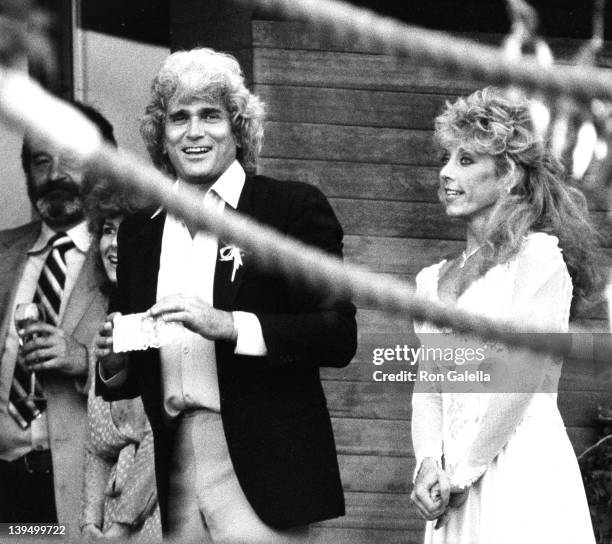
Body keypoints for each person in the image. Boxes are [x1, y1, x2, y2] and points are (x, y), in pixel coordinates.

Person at [95, 47, 357, 543]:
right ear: (161, 135)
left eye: (210, 116)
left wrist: (231, 324)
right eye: (179, 118)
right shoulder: (138, 232)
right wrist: (112, 359)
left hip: (263, 464)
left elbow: (339, 334)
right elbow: (120, 377)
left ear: (238, 128)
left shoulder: (288, 209)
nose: (194, 132)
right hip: (171, 458)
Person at [410, 87, 598, 543]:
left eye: (466, 160)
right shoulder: (431, 281)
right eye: (446, 158)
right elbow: (429, 390)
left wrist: (463, 474)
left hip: (520, 474)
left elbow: (520, 380)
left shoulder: (539, 260)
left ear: (508, 174)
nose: (446, 173)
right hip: (453, 486)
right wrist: (428, 464)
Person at [0, 102, 116, 530]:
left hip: (82, 486)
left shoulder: (130, 258)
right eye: (41, 162)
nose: (54, 176)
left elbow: (156, 372)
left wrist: (84, 360)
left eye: (71, 159)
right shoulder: (3, 254)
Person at [80, 181, 161, 541]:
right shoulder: (111, 320)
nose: (115, 244)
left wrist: (119, 528)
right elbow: (96, 446)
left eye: (129, 230)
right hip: (113, 520)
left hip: (158, 516)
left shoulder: (165, 316)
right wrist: (89, 525)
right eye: (108, 230)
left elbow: (166, 435)